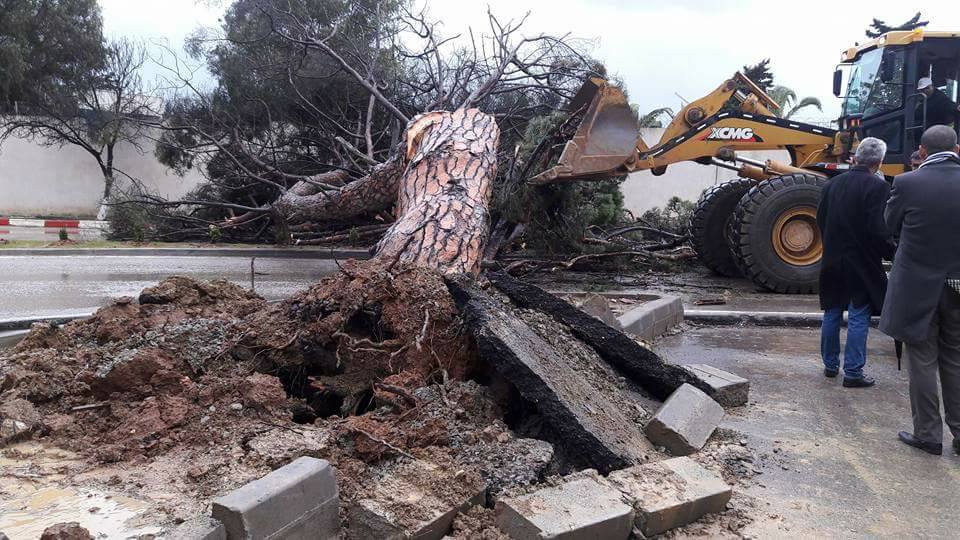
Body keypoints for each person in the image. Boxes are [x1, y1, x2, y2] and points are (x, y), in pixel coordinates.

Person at [880, 125, 960, 456]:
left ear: (923, 151)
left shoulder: (907, 183)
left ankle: (928, 435)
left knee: (923, 359)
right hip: (958, 286)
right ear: (956, 149)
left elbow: (888, 225)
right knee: (955, 359)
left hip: (916, 289)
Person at [816, 137, 895, 388]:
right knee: (859, 313)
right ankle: (853, 372)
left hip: (832, 258)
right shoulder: (878, 187)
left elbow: (821, 219)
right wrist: (891, 252)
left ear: (856, 157)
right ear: (879, 161)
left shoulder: (832, 184)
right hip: (862, 261)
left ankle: (830, 366)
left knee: (832, 311)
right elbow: (877, 229)